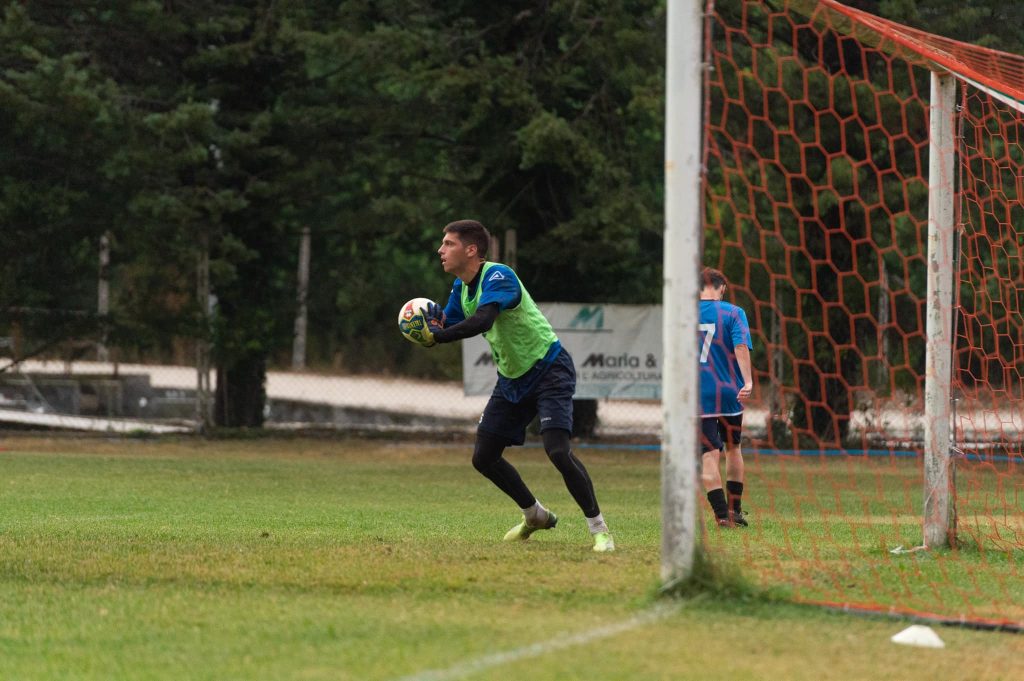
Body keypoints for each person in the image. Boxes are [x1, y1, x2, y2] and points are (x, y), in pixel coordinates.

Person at [420, 219, 614, 552]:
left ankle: (600, 530)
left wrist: (440, 336)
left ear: (471, 250)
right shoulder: (459, 288)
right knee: (484, 457)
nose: (441, 250)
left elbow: (482, 319)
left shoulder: (498, 275)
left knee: (556, 450)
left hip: (550, 368)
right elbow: (449, 323)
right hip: (513, 379)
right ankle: (534, 514)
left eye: (448, 243)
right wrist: (423, 321)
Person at [698, 267, 754, 528]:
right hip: (730, 391)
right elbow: (741, 346)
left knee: (709, 454)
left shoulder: (684, 315)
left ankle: (721, 516)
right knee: (733, 448)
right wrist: (748, 380)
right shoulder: (734, 312)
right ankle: (735, 511)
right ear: (722, 288)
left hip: (699, 395)